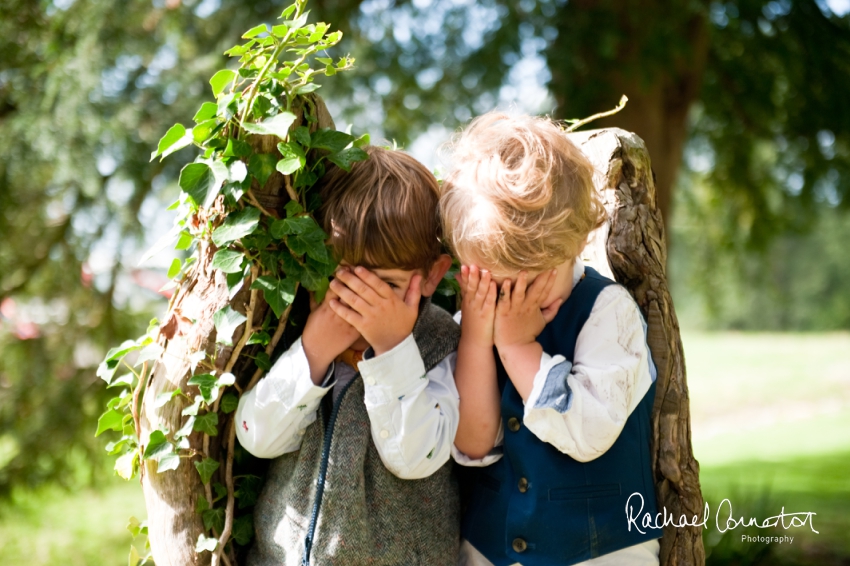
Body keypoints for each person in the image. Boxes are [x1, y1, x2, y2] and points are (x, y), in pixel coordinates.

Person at [439, 112, 663, 566]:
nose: (507, 300)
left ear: (576, 242)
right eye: (492, 283)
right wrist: (479, 342)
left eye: (526, 282)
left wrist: (519, 349)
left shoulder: (607, 312)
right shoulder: (477, 319)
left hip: (598, 553)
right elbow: (474, 444)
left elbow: (589, 431)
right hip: (492, 551)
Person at [235, 146, 460, 566]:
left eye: (386, 290)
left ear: (431, 275)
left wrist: (392, 349)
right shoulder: (302, 328)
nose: (361, 312)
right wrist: (314, 350)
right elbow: (256, 437)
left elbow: (414, 459)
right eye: (345, 287)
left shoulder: (441, 343)